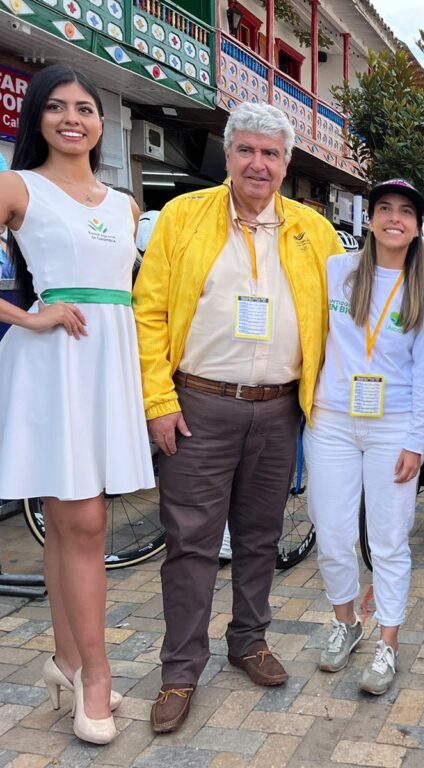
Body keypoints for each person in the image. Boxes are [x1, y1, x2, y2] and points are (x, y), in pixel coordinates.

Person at [133, 102, 341, 734]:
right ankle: (180, 670)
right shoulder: (183, 216)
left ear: (286, 162)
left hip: (278, 409)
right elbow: (148, 314)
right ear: (228, 154)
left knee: (259, 536)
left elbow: (345, 316)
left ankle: (249, 640)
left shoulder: (314, 231)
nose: (258, 163)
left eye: (271, 153)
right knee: (191, 543)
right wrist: (158, 401)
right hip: (197, 407)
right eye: (246, 150)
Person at [0, 65, 154, 745]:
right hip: (52, 366)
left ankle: (66, 662)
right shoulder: (17, 186)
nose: (72, 118)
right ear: (36, 117)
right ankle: (96, 676)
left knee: (70, 527)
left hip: (107, 365)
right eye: (57, 107)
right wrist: (29, 316)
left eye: (85, 108)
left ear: (100, 122)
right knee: (86, 523)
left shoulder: (124, 204)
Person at [303, 179, 424, 694]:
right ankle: (346, 622)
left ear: (416, 227)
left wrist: (416, 441)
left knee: (388, 540)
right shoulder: (336, 271)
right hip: (332, 422)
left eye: (405, 211)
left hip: (392, 427)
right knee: (332, 534)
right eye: (385, 208)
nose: (394, 218)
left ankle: (388, 642)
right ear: (370, 218)